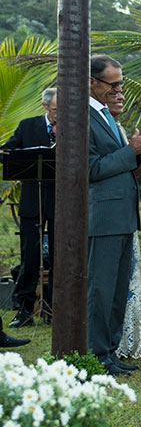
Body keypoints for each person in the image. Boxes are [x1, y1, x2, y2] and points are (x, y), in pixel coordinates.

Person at [87, 55, 141, 376]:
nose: (119, 90)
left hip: (122, 216)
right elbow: (90, 169)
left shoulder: (106, 118)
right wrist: (132, 150)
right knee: (101, 291)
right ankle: (95, 356)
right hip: (101, 219)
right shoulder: (80, 118)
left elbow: (118, 167)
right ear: (91, 82)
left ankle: (110, 352)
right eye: (113, 84)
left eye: (121, 84)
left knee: (118, 292)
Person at [1, 87, 57, 328]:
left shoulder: (75, 125)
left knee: (60, 257)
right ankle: (24, 309)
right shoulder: (27, 126)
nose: (61, 115)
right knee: (30, 257)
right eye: (56, 110)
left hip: (62, 204)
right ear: (45, 107)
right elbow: (6, 152)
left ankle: (55, 308)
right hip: (32, 203)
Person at [108, 90, 141, 362]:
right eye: (114, 91)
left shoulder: (118, 127)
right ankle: (108, 347)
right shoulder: (91, 123)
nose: (120, 96)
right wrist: (133, 150)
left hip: (125, 213)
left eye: (122, 90)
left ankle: (123, 342)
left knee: (126, 283)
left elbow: (127, 170)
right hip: (106, 215)